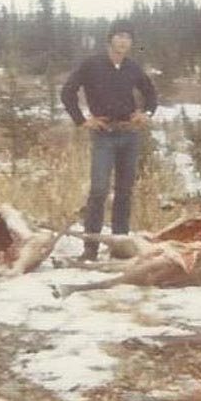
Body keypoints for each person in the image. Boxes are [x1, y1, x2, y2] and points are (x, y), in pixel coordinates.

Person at [61, 19, 158, 261]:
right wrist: (82, 121)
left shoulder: (132, 68)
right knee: (99, 189)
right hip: (104, 135)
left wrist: (146, 113)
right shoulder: (92, 65)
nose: (124, 41)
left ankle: (120, 247)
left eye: (128, 37)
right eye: (119, 36)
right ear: (110, 39)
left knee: (125, 191)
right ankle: (90, 248)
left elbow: (151, 93)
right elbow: (67, 92)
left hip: (129, 135)